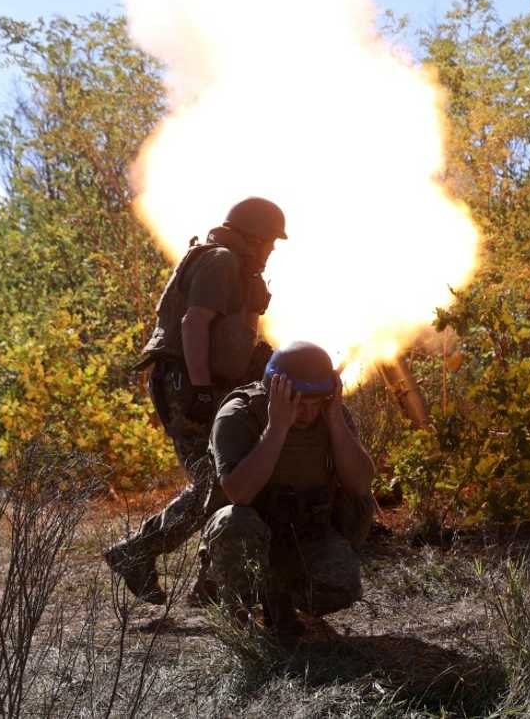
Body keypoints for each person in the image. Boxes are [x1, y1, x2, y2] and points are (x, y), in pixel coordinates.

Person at [104, 196, 287, 604]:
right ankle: (140, 553)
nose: (272, 250)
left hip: (206, 386)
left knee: (225, 481)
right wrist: (202, 389)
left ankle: (208, 583)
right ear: (252, 237)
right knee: (217, 482)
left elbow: (227, 335)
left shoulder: (236, 267)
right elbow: (194, 323)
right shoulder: (221, 261)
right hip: (187, 386)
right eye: (270, 242)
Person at [201, 341, 375, 638]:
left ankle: (278, 594)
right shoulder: (239, 415)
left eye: (315, 403)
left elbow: (360, 483)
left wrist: (334, 420)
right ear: (275, 392)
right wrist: (277, 427)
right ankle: (231, 599)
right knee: (235, 521)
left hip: (302, 535)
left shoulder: (331, 414)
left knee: (341, 585)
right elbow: (239, 493)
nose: (307, 414)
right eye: (299, 403)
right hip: (247, 536)